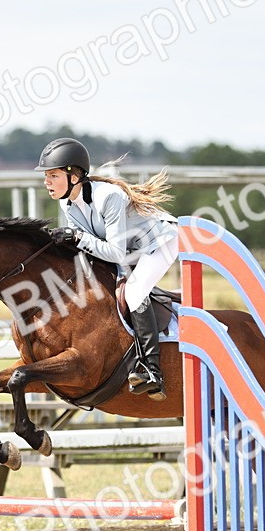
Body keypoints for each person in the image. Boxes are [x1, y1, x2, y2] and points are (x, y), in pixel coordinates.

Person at [36, 137, 178, 401]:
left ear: (74, 176)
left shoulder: (109, 196)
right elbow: (89, 246)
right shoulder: (67, 202)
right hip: (128, 251)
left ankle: (152, 370)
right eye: (46, 176)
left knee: (134, 293)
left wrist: (76, 237)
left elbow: (113, 251)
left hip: (158, 244)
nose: (47, 182)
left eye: (52, 175)